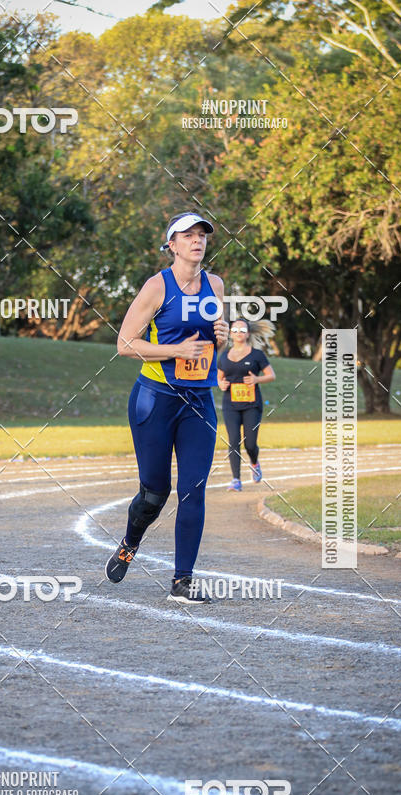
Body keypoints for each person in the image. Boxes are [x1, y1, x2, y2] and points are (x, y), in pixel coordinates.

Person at [105, 211, 229, 603]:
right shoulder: (157, 287)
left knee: (193, 489)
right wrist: (174, 350)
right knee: (155, 492)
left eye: (202, 235)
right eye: (187, 235)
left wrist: (222, 338)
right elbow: (125, 343)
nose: (197, 241)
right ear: (172, 244)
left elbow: (212, 345)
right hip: (155, 400)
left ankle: (182, 580)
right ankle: (129, 542)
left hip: (199, 401)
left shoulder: (217, 285)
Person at [217, 317, 276, 491]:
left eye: (242, 330)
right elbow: (218, 377)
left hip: (252, 405)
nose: (238, 333)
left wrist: (257, 378)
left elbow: (271, 375)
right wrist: (220, 384)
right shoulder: (225, 356)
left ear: (248, 333)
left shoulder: (257, 354)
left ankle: (254, 463)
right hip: (230, 404)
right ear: (230, 334)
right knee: (234, 441)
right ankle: (236, 480)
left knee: (250, 443)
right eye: (234, 330)